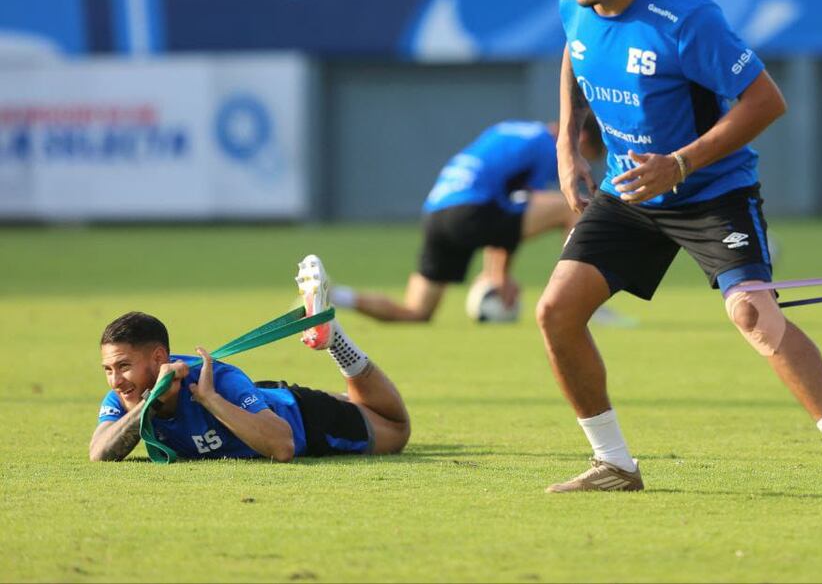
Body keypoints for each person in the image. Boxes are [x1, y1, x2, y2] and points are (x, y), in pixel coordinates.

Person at [537, 0, 822, 505]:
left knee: (754, 315)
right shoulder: (575, 2)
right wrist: (568, 147)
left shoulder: (687, 17)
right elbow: (575, 54)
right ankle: (613, 462)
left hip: (711, 192)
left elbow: (766, 102)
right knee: (555, 312)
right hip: (630, 191)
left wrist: (679, 164)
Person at [90, 255, 410, 462]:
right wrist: (151, 403)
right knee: (362, 405)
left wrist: (211, 400)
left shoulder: (217, 379)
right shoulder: (126, 395)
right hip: (267, 396)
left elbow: (282, 446)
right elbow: (100, 452)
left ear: (159, 357)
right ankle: (332, 335)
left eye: (124, 366)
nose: (115, 380)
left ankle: (336, 340)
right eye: (108, 369)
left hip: (308, 419)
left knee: (396, 430)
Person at [331, 118, 605, 323]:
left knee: (416, 312)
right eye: (584, 158)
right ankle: (581, 301)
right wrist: (499, 277)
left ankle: (334, 296)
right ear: (580, 138)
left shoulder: (510, 129)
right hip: (470, 211)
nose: (579, 165)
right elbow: (516, 209)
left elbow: (506, 212)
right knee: (573, 207)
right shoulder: (546, 146)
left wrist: (497, 274)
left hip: (436, 213)